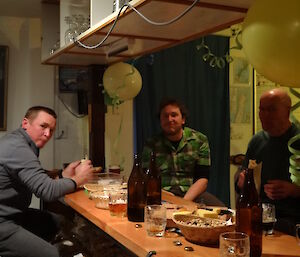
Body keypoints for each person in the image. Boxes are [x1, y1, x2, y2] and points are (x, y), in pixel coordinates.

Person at [0, 106, 94, 257]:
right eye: (43, 126)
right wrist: (79, 179)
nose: (47, 134)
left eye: (51, 129)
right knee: (52, 254)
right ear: (25, 123)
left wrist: (63, 176)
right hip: (3, 222)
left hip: (16, 215)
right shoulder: (17, 147)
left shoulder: (20, 142)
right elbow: (46, 191)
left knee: (59, 222)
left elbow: (34, 177)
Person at [236, 88, 300, 235]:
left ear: (287, 110)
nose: (264, 115)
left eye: (271, 110)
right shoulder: (257, 141)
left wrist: (294, 190)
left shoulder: (296, 141)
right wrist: (242, 181)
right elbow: (243, 177)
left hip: (292, 220)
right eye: (261, 109)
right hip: (259, 216)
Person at [142, 98, 224, 206]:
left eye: (174, 115)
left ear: (183, 119)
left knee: (223, 212)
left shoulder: (199, 140)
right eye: (165, 116)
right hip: (161, 195)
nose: (169, 119)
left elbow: (202, 179)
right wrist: (165, 197)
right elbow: (145, 178)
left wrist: (183, 203)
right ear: (160, 121)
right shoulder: (151, 143)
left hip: (191, 194)